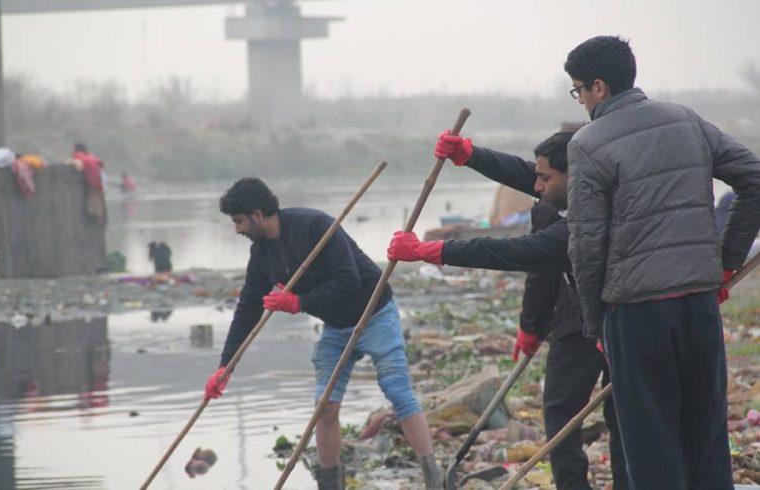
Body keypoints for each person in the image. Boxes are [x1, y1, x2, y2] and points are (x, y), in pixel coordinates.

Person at [563, 35, 760, 489]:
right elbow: (753, 180)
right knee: (707, 436)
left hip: (636, 310)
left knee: (651, 446)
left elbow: (586, 245)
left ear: (599, 87)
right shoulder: (686, 120)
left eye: (579, 91)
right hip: (698, 303)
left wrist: (595, 326)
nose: (580, 103)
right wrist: (724, 264)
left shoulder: (588, 143)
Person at [388, 129, 628, 489]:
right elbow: (541, 269)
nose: (538, 186)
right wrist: (470, 155)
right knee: (564, 414)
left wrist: (431, 251)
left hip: (622, 319)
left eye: (545, 178)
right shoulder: (556, 199)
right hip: (577, 316)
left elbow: (515, 253)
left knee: (621, 413)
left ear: (573, 175)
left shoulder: (587, 223)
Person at [204, 178, 442, 490]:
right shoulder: (261, 255)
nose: (237, 230)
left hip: (375, 313)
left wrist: (299, 302)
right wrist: (226, 366)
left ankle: (434, 480)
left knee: (398, 392)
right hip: (336, 326)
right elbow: (248, 308)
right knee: (325, 407)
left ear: (258, 214)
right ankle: (330, 486)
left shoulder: (315, 226)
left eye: (238, 221)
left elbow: (350, 279)